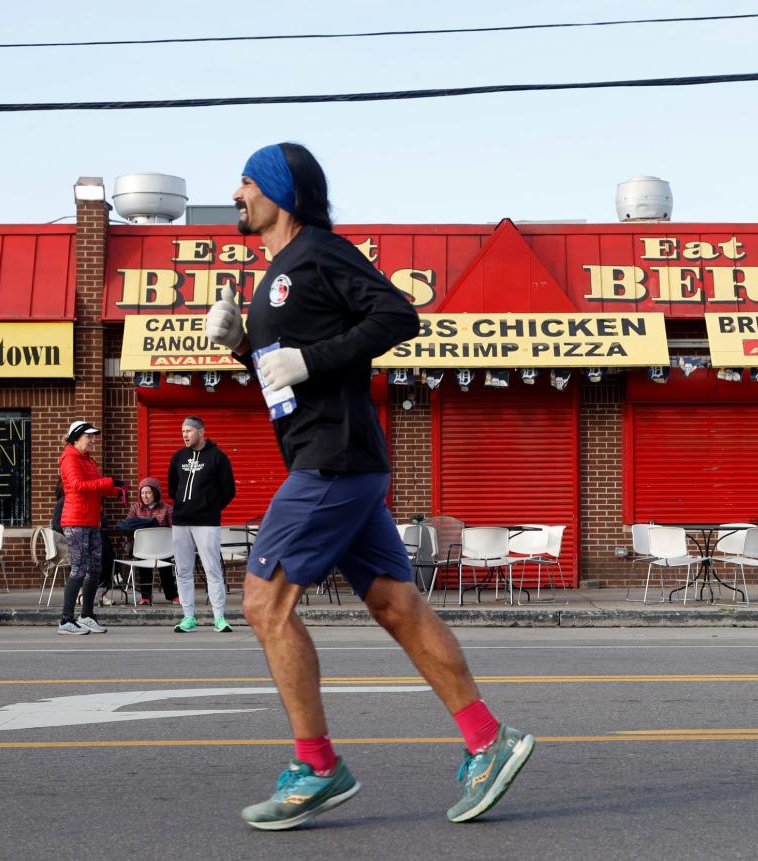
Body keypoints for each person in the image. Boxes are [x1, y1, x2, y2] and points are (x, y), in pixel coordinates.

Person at [205, 142, 533, 831]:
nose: (235, 194)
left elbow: (396, 315)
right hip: (339, 461)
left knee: (263, 603)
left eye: (244, 182)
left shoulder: (319, 250)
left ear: (278, 190)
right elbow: (286, 370)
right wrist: (240, 345)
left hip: (330, 460)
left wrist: (308, 357)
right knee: (397, 605)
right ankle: (487, 739)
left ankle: (317, 766)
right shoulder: (280, 273)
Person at [57, 420, 130, 635]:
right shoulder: (70, 458)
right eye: (89, 436)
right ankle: (65, 620)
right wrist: (109, 481)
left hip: (91, 521)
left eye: (94, 436)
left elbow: (94, 489)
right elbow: (78, 486)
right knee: (79, 569)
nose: (93, 440)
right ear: (76, 438)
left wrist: (116, 490)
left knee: (95, 569)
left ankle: (87, 616)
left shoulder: (88, 460)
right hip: (76, 521)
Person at [167, 416, 237, 633]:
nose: (184, 435)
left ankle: (219, 618)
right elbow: (172, 488)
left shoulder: (218, 457)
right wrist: (182, 506)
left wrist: (210, 508)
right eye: (182, 432)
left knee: (212, 569)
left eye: (188, 431)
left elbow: (229, 490)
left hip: (207, 523)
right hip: (181, 522)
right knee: (183, 571)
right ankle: (188, 617)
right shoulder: (178, 457)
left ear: (201, 431)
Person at [124, 477, 178, 605]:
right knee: (144, 566)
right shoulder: (135, 508)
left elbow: (174, 529)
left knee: (165, 567)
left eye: (148, 492)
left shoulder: (167, 509)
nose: (145, 496)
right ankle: (145, 597)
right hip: (142, 548)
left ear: (155, 492)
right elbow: (126, 527)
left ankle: (172, 596)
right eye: (142, 493)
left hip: (163, 548)